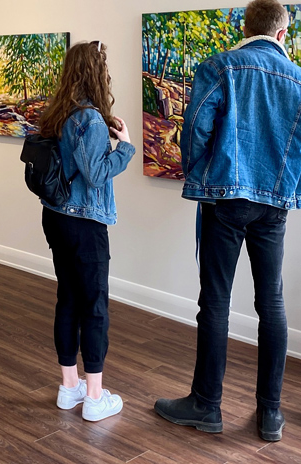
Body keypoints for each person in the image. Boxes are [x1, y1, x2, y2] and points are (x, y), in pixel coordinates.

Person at [155, 0, 301, 442]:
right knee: (271, 303)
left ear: (245, 26)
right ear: (281, 34)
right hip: (274, 203)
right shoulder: (297, 78)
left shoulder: (220, 66)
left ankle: (206, 406)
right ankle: (270, 415)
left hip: (226, 197)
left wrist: (203, 175)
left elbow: (196, 128)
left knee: (216, 301)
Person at [36, 41, 134, 422]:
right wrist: (124, 147)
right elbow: (95, 175)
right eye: (104, 69)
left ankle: (69, 386)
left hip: (56, 216)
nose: (107, 75)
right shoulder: (90, 119)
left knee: (68, 299)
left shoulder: (57, 113)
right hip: (85, 222)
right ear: (95, 74)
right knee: (94, 306)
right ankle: (94, 397)